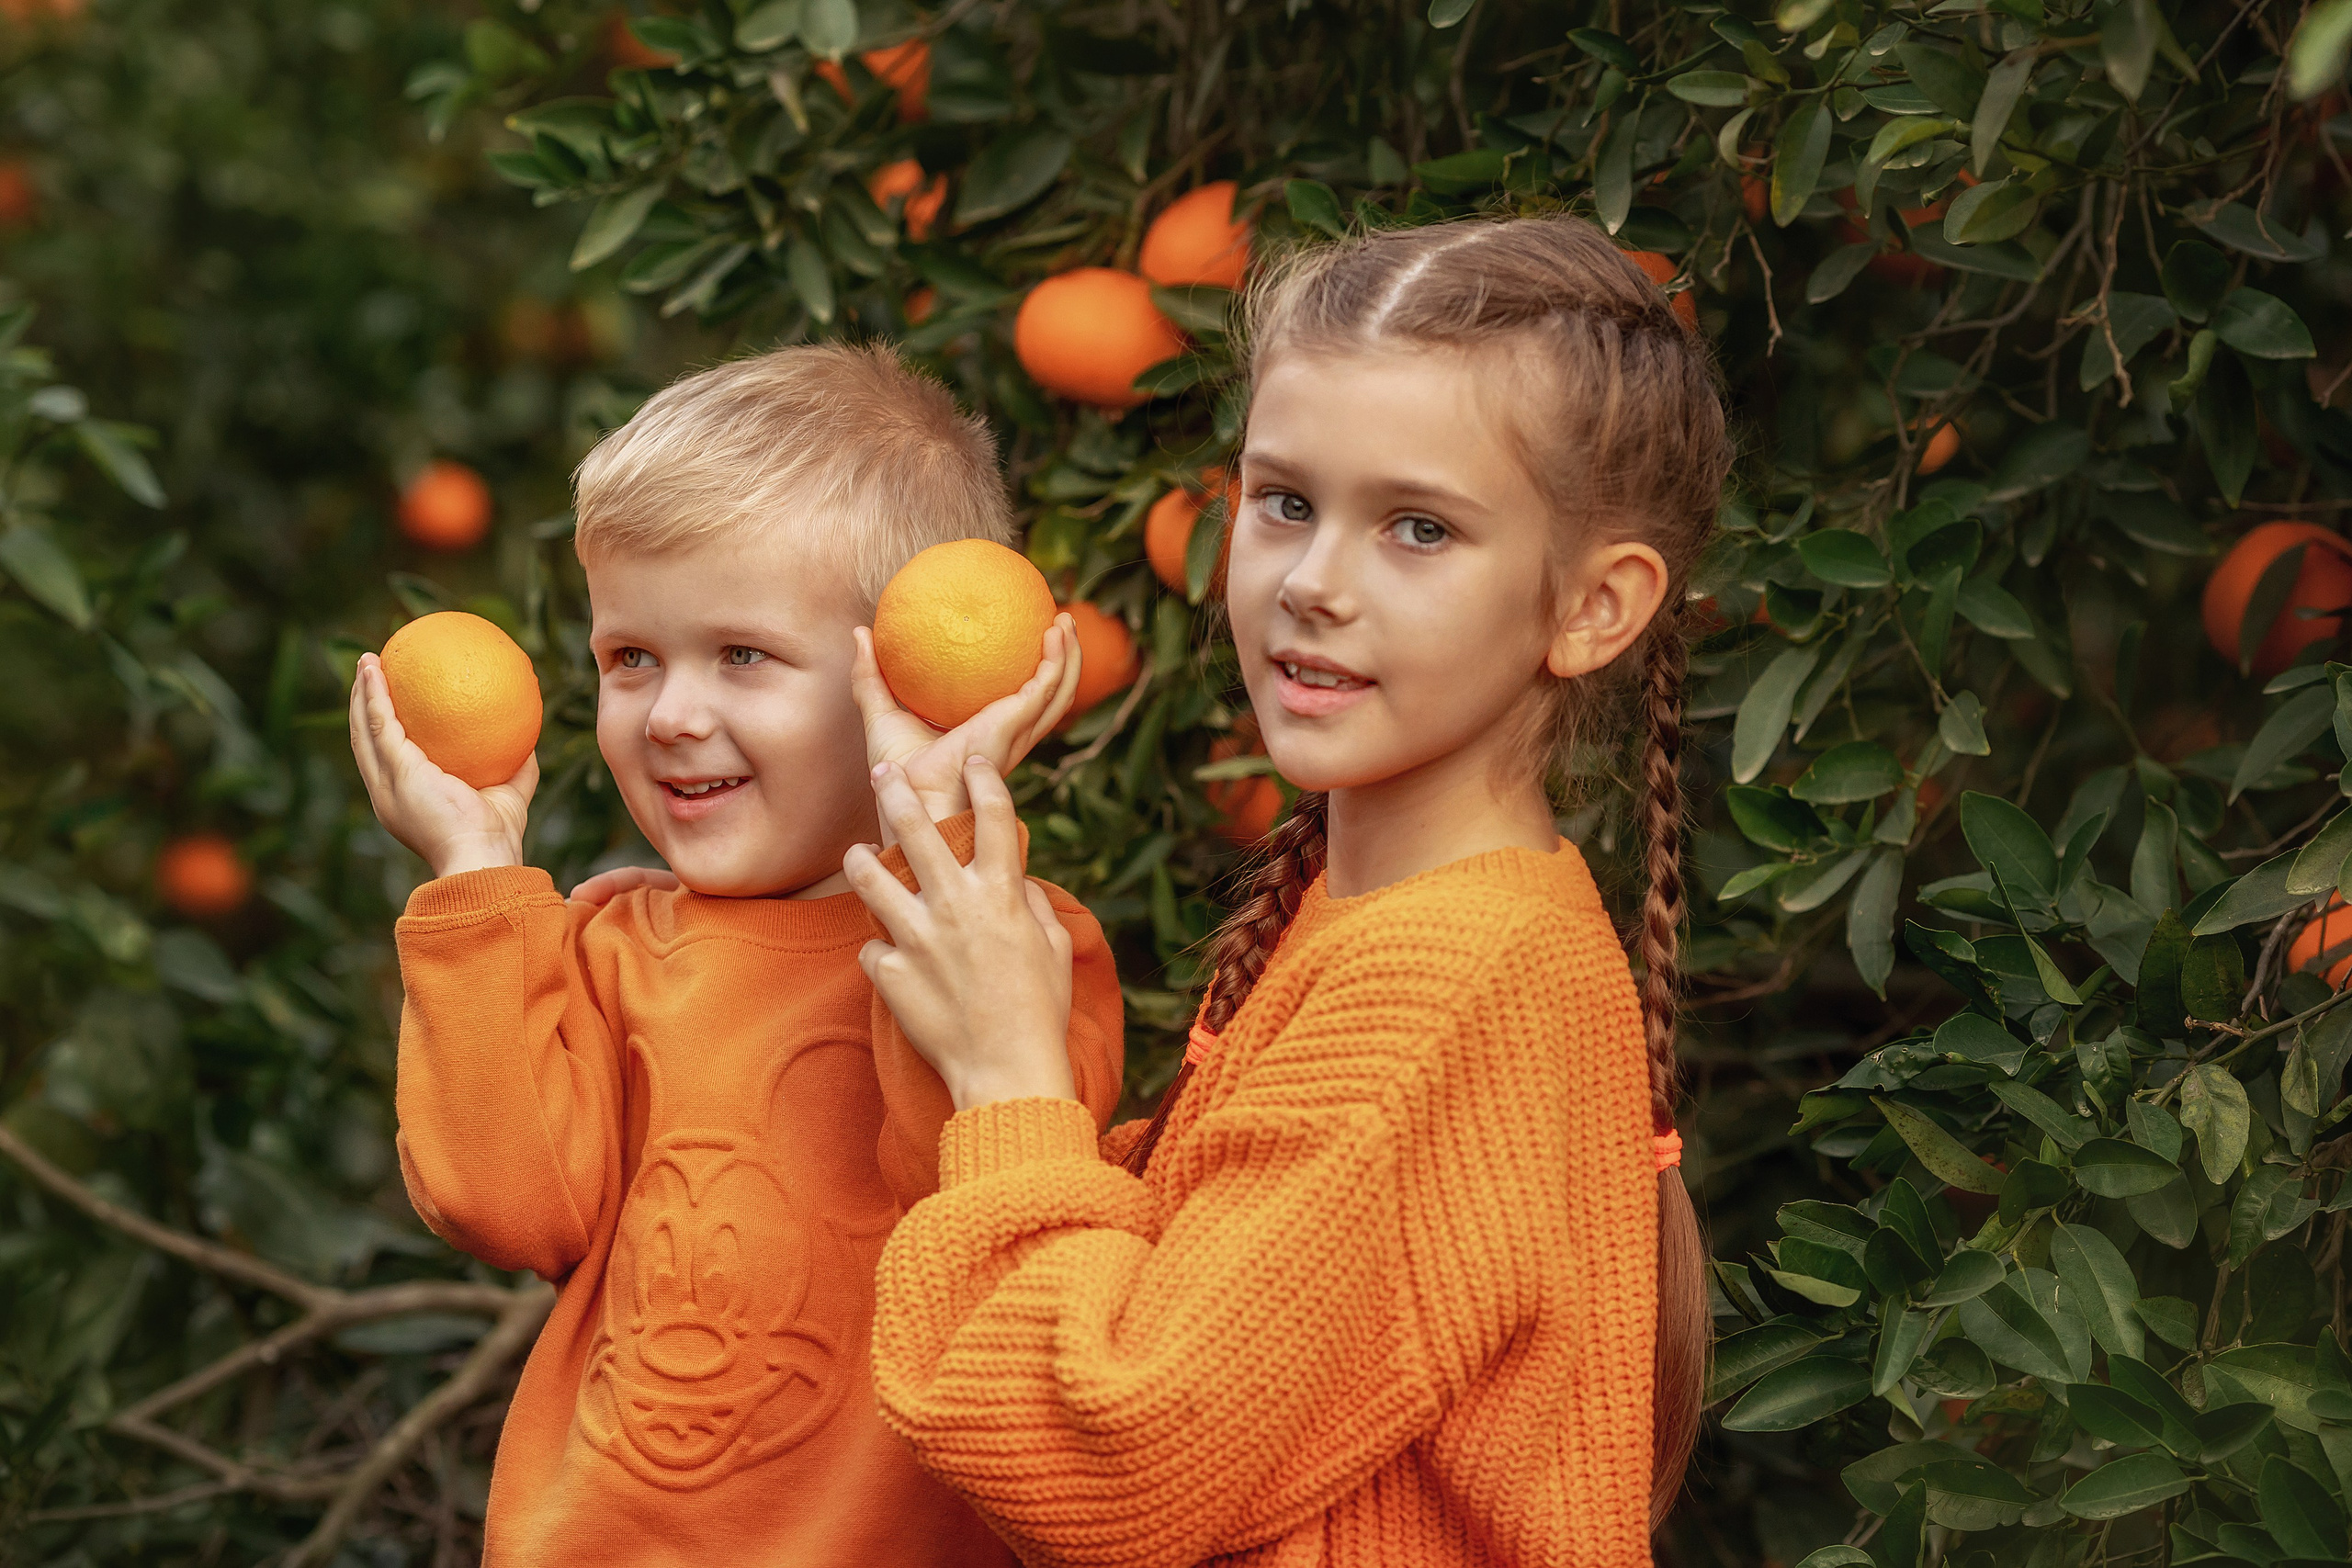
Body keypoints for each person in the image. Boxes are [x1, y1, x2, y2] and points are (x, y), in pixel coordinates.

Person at [844, 213, 1727, 1566]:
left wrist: (1015, 1082)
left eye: (1419, 528)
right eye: (1286, 502)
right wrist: (947, 869)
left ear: (1594, 608)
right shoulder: (1373, 912)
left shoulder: (1453, 984)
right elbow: (1151, 1276)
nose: (1314, 583)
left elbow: (1115, 1454)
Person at [346, 344, 1124, 1566]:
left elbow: (967, 1174)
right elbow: (504, 1206)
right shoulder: (600, 945)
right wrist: (472, 878)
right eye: (630, 659)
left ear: (901, 674)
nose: (671, 715)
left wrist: (941, 820)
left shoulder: (1012, 939)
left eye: (742, 656)